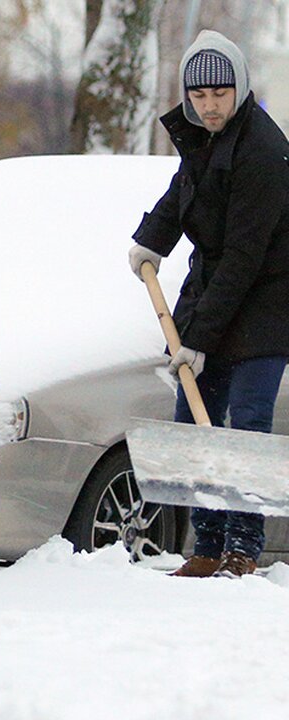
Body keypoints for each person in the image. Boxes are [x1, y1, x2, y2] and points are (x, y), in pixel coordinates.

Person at [128, 30, 289, 578]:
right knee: (192, 418)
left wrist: (197, 339)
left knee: (244, 424)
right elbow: (181, 195)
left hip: (268, 305)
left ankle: (242, 550)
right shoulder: (203, 139)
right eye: (199, 96)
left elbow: (245, 257)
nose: (209, 104)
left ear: (239, 89)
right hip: (217, 294)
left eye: (220, 93)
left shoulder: (265, 152)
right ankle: (205, 546)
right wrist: (150, 239)